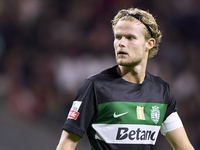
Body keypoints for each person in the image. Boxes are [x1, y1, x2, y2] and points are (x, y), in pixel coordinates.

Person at [56, 8, 194, 150]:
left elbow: (183, 146)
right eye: (117, 37)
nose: (121, 43)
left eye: (130, 37)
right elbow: (67, 144)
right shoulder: (95, 87)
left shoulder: (161, 91)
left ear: (149, 43)